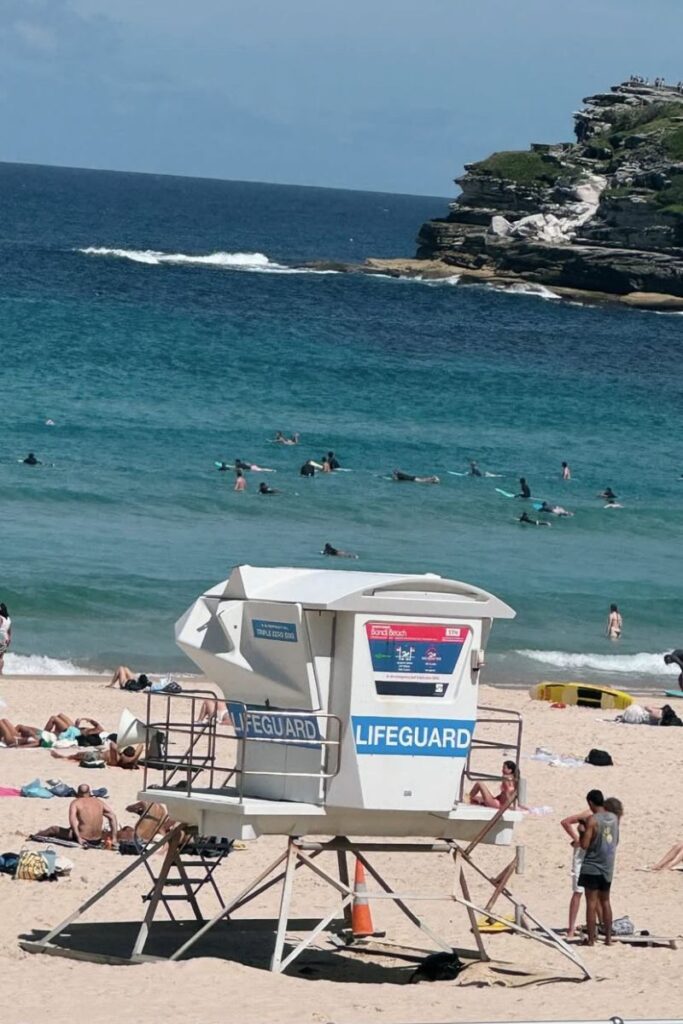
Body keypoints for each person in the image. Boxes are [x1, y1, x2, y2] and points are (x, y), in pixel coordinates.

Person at [578, 789, 620, 946]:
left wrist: (581, 832)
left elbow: (584, 845)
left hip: (592, 866)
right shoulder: (614, 818)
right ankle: (608, 939)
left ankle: (591, 939)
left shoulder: (592, 820)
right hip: (608, 865)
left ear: (590, 803)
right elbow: (615, 841)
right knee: (606, 901)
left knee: (591, 902)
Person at [34, 784, 118, 849]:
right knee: (73, 828)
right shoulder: (99, 802)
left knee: (53, 829)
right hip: (97, 840)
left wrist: (78, 838)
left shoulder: (76, 802)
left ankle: (34, 836)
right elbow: (112, 816)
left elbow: (73, 821)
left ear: (78, 793)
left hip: (84, 838)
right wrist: (114, 838)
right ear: (89, 792)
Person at [0, 602, 11, 674]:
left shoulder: (0, 618)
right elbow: (9, 632)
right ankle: (0, 671)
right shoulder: (9, 620)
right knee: (1, 657)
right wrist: (9, 640)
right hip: (5, 639)